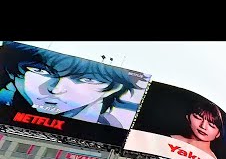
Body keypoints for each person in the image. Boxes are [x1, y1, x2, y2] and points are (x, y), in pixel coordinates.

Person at [0, 41, 146, 128]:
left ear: (112, 89)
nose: (56, 89)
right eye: (40, 71)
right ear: (13, 72)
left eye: (87, 80)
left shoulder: (112, 127)